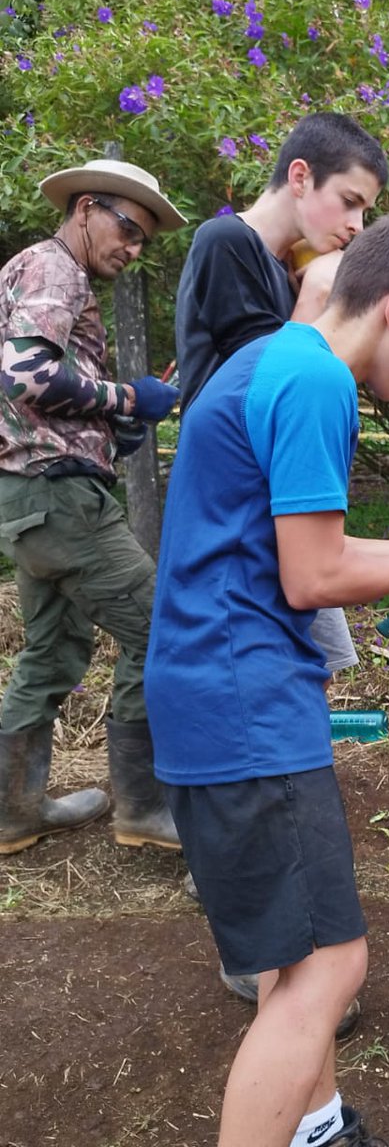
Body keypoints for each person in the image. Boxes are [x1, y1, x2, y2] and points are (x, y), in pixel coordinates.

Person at [145, 208, 389, 1147]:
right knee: (331, 969)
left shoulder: (269, 360)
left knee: (290, 950)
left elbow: (309, 550)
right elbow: (316, 578)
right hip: (247, 701)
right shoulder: (317, 382)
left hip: (210, 690)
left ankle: (318, 1127)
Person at [174, 111, 389, 1012]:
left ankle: (278, 890)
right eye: (349, 202)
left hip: (260, 514)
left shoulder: (271, 267)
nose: (354, 227)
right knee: (270, 671)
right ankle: (264, 937)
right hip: (238, 519)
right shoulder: (231, 244)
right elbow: (271, 372)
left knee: (315, 662)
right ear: (297, 176)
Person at [0, 158, 186, 856]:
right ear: (85, 208)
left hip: (29, 499)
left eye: (142, 240)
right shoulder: (56, 270)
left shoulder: (32, 269)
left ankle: (15, 813)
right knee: (162, 627)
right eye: (128, 228)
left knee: (49, 655)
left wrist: (112, 427)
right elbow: (24, 374)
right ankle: (143, 807)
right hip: (62, 500)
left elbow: (35, 393)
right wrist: (129, 399)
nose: (133, 248)